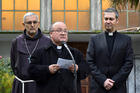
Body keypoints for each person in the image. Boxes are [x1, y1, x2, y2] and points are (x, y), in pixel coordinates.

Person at [28, 22, 89, 93]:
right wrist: (47, 69)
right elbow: (31, 71)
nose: (63, 33)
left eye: (65, 31)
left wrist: (77, 68)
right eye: (59, 30)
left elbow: (86, 70)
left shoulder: (74, 53)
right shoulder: (40, 52)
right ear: (51, 34)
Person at [86, 8, 133, 93]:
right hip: (98, 87)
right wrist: (103, 80)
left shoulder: (126, 40)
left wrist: (114, 81)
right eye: (106, 19)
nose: (108, 21)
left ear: (117, 21)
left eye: (111, 19)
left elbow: (128, 63)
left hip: (118, 88)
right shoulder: (94, 40)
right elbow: (90, 62)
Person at [10, 12, 51, 93]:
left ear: (38, 23)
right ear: (23, 24)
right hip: (22, 85)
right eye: (29, 22)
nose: (32, 25)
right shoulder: (16, 41)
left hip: (41, 85)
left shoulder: (48, 41)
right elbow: (13, 63)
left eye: (35, 22)